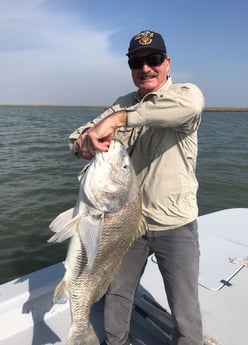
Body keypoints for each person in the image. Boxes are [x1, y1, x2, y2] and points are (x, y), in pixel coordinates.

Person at [69, 30, 205, 345]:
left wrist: (116, 121)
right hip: (125, 223)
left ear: (167, 63)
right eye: (137, 62)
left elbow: (190, 108)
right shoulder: (123, 104)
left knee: (184, 307)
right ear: (131, 67)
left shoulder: (185, 95)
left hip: (175, 223)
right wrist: (84, 143)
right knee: (117, 293)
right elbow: (78, 138)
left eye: (154, 59)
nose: (146, 68)